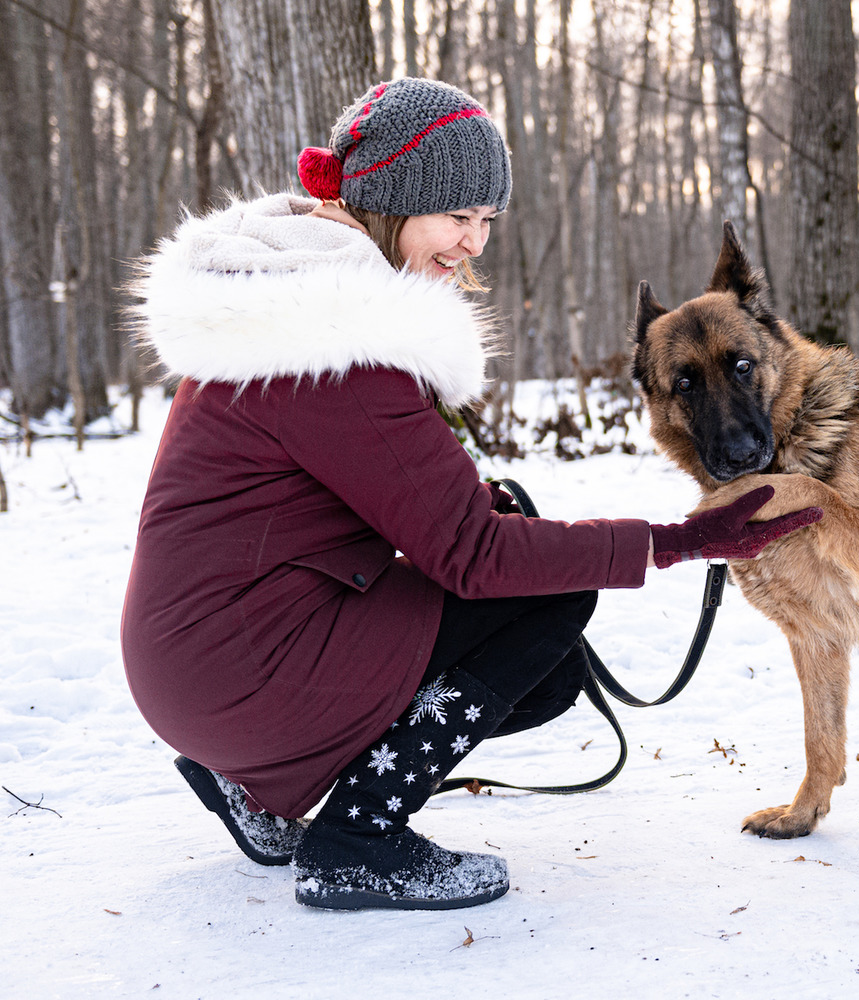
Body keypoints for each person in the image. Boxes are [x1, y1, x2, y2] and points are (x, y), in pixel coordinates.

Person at [121, 78, 820, 912]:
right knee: (551, 600)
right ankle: (360, 839)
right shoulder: (339, 346)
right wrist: (682, 541)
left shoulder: (287, 307)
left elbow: (353, 496)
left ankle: (248, 780)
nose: (474, 245)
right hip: (243, 667)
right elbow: (472, 556)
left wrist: (484, 503)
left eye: (487, 221)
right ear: (391, 201)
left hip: (199, 659)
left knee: (548, 672)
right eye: (458, 217)